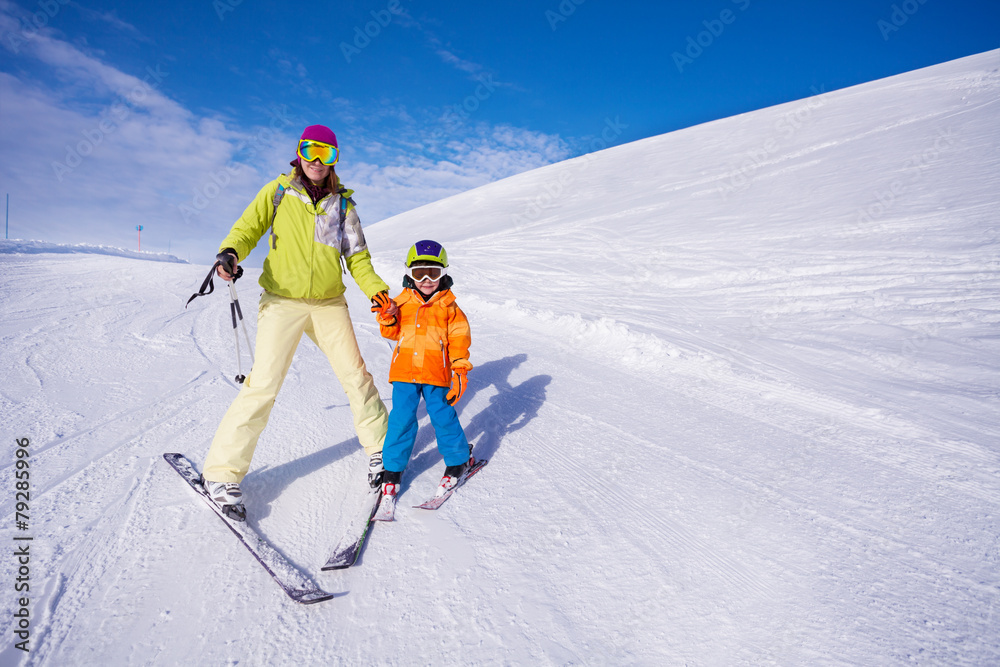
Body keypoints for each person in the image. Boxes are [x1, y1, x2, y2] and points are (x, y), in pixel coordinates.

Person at [201, 124, 398, 521]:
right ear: (299, 152)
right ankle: (222, 474)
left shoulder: (343, 206)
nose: (317, 162)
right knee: (263, 385)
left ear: (335, 160)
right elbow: (247, 228)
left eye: (327, 155)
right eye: (311, 151)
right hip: (282, 301)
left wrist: (377, 291)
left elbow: (358, 259)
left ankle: (383, 453)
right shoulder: (277, 193)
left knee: (357, 377)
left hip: (328, 304)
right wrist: (229, 253)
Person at [374, 240, 474, 505]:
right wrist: (387, 317)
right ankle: (392, 468)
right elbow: (391, 332)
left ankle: (458, 460)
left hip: (436, 372)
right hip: (405, 372)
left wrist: (460, 371)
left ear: (443, 273)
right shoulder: (401, 301)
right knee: (401, 418)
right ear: (409, 274)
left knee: (443, 416)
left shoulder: (450, 308)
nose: (427, 279)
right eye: (420, 274)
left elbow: (460, 341)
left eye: (433, 272)